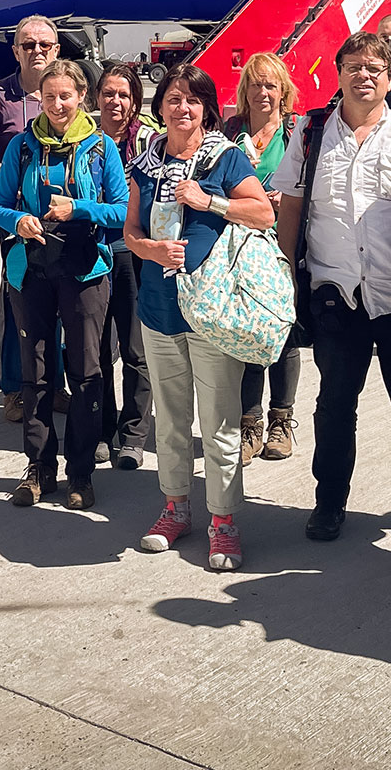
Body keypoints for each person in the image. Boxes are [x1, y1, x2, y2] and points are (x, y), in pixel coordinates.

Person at [278, 32, 391, 548]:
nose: (364, 75)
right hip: (335, 294)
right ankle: (330, 502)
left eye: (375, 66)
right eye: (353, 66)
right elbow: (290, 204)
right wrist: (288, 272)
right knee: (334, 404)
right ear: (338, 73)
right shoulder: (309, 133)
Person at [126, 64, 275, 571]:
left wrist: (208, 200)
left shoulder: (225, 157)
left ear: (207, 107)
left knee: (219, 424)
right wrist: (150, 249)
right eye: (172, 98)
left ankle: (224, 522)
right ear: (160, 105)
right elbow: (130, 233)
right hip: (159, 310)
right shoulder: (144, 163)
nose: (181, 108)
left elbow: (264, 213)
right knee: (168, 421)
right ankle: (175, 509)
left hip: (211, 311)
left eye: (192, 99)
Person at [0, 58, 129, 509]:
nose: (57, 105)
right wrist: (20, 219)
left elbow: (123, 211)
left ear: (81, 97)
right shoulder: (23, 148)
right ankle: (39, 468)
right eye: (48, 97)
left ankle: (81, 473)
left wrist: (79, 209)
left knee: (87, 373)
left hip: (85, 267)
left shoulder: (102, 147)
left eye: (65, 96)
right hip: (31, 267)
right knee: (36, 373)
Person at [223, 51, 303, 464]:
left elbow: (308, 186)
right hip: (239, 247)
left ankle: (281, 420)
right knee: (248, 336)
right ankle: (249, 422)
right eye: (256, 84)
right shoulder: (231, 130)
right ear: (245, 91)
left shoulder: (295, 132)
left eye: (271, 84)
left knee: (283, 335)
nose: (263, 92)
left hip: (282, 245)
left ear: (283, 91)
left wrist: (283, 198)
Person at [0, 16, 61, 421]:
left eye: (44, 44)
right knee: (18, 304)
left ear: (57, 49)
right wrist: (3, 171)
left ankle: (55, 384)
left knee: (61, 303)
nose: (37, 51)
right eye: (27, 45)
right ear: (15, 51)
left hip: (62, 219)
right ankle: (14, 388)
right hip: (16, 220)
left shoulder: (67, 93)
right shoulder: (0, 97)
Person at [94, 63, 157, 470]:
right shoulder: (84, 139)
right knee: (94, 350)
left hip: (134, 255)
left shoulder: (149, 142)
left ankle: (133, 433)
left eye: (124, 94)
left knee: (136, 351)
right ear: (96, 97)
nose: (115, 101)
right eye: (108, 93)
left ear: (135, 101)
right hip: (93, 252)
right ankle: (99, 429)